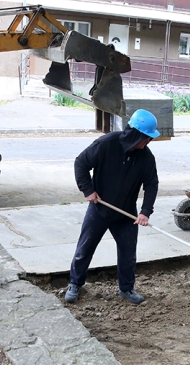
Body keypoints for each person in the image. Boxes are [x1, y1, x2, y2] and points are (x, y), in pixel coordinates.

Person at [64, 109, 160, 305]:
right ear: (136, 134)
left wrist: (145, 211)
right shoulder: (107, 144)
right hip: (99, 208)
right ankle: (75, 284)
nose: (147, 142)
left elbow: (152, 184)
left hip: (126, 213)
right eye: (146, 138)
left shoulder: (146, 158)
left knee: (128, 253)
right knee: (85, 248)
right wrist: (88, 190)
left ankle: (126, 288)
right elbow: (81, 163)